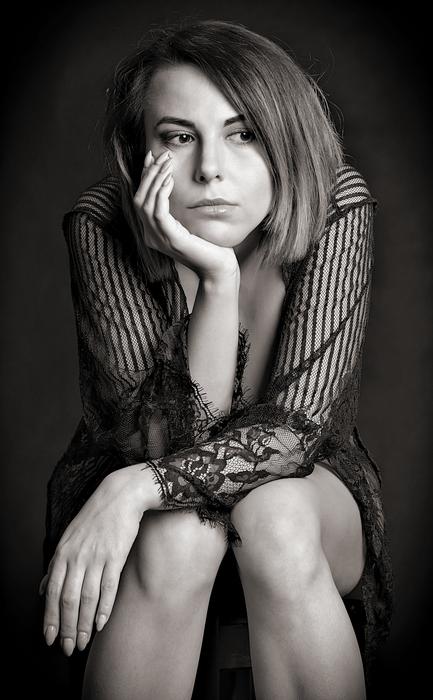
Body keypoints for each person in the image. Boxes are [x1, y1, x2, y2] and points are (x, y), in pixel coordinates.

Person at [40, 18, 393, 700]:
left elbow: (289, 436)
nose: (209, 169)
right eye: (177, 136)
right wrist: (216, 283)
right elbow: (165, 446)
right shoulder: (101, 224)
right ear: (138, 150)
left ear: (284, 139)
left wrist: (135, 487)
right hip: (144, 496)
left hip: (303, 489)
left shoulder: (333, 205)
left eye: (243, 133)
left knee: (275, 516)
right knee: (176, 535)